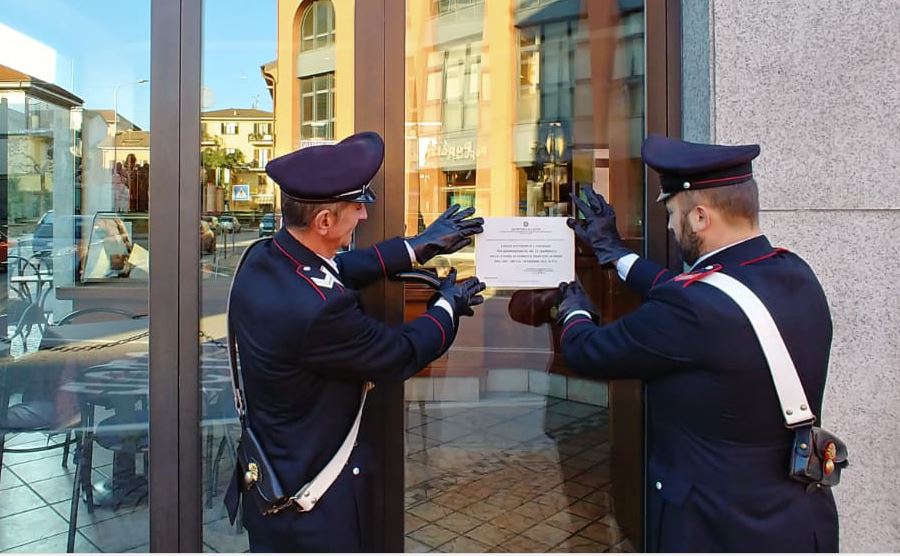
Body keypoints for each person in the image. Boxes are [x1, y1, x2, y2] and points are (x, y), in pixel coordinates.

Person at [556, 134, 838, 552]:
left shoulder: (693, 308)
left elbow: (589, 350)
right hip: (799, 519)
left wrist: (572, 309)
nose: (669, 226)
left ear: (700, 218)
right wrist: (613, 253)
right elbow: (699, 295)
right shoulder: (794, 271)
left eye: (672, 213)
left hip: (718, 527)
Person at [226, 131, 486, 552]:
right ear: (324, 221)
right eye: (356, 207)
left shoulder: (264, 256)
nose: (364, 216)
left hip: (274, 481)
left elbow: (339, 268)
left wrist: (418, 247)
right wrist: (447, 306)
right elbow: (398, 354)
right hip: (313, 509)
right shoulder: (319, 312)